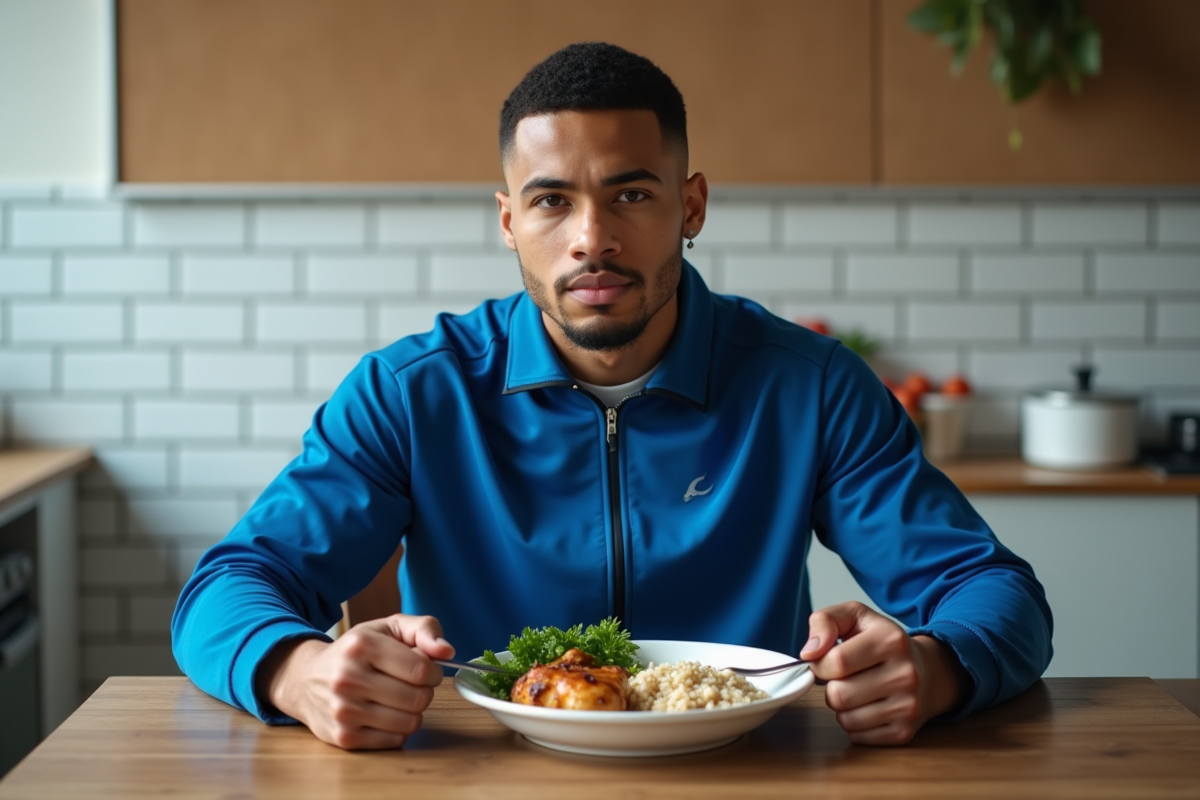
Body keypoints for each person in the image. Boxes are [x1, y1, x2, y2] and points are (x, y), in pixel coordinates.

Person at [172, 42, 1052, 751]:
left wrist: (936, 669)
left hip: (750, 775)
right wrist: (296, 672)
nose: (591, 239)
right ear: (510, 220)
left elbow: (992, 590)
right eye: (552, 202)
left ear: (691, 205)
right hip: (482, 775)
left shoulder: (810, 387)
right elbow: (229, 586)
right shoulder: (411, 393)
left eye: (630, 193)